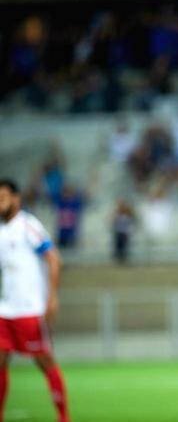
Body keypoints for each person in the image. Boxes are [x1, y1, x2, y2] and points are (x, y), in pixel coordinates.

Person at [0, 179, 71, 422]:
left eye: (3, 198)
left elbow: (53, 258)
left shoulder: (27, 225)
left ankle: (63, 416)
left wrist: (52, 297)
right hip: (5, 310)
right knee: (0, 360)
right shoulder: (1, 231)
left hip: (29, 309)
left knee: (44, 360)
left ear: (16, 199)